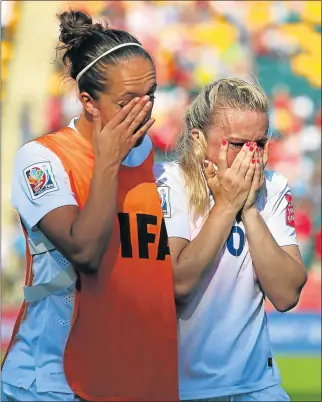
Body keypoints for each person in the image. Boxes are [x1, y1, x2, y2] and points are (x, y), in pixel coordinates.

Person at [2, 10, 179, 402]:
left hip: (130, 377)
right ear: (88, 102)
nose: (143, 110)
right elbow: (85, 251)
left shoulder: (164, 167)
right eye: (127, 101)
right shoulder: (43, 158)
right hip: (48, 381)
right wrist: (109, 163)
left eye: (150, 95)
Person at [154, 78, 307, 402]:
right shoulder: (169, 182)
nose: (251, 158)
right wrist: (226, 205)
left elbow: (286, 294)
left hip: (257, 386)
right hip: (183, 389)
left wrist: (249, 208)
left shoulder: (273, 186)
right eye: (237, 144)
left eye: (260, 144)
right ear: (198, 139)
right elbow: (176, 284)